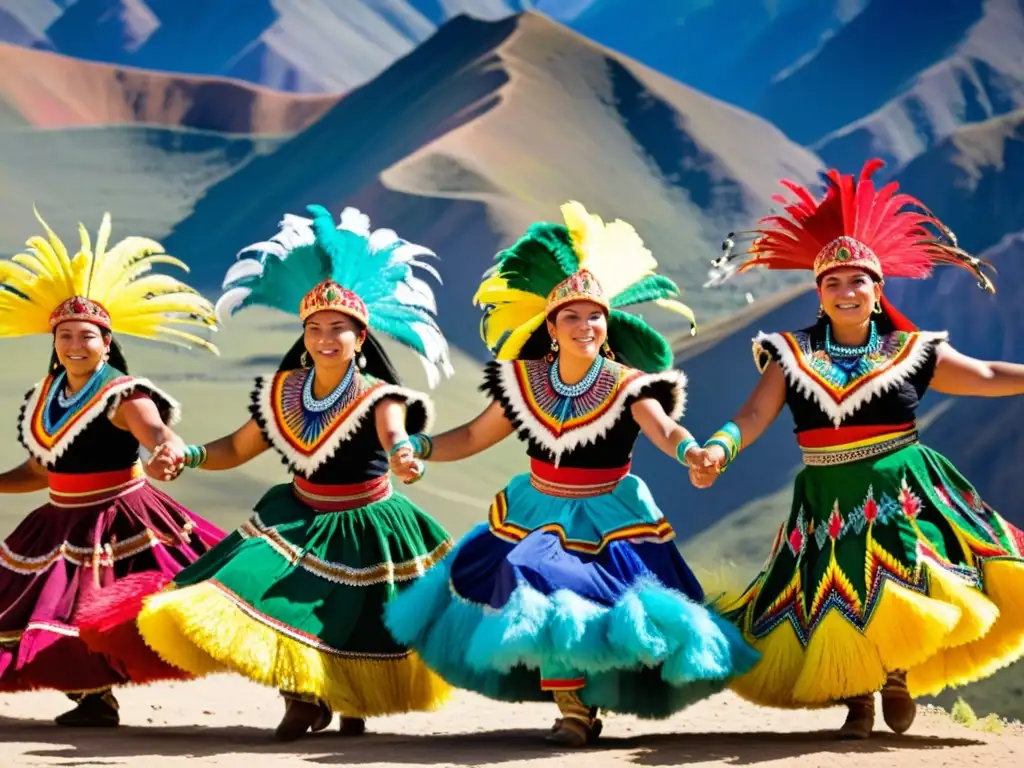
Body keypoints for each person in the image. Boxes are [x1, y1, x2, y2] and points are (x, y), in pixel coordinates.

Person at [383, 201, 760, 747]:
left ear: (607, 327)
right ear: (551, 328)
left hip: (608, 513)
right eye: (571, 317)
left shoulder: (630, 384)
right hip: (536, 507)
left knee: (574, 598)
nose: (584, 325)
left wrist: (695, 453)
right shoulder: (521, 383)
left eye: (594, 316)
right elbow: (468, 437)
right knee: (535, 578)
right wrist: (418, 447)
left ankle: (581, 704)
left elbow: (665, 432)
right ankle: (572, 709)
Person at [692, 158, 1024, 739]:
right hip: (826, 492)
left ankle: (895, 674)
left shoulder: (913, 351)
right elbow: (752, 415)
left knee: (901, 579)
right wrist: (718, 450)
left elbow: (986, 374)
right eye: (833, 282)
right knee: (834, 588)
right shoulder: (789, 354)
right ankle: (856, 700)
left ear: (878, 290)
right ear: (820, 293)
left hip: (903, 489)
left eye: (857, 281)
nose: (846, 291)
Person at [134, 204, 455, 742]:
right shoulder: (282, 392)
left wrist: (403, 454)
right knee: (275, 595)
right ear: (303, 334)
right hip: (300, 513)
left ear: (360, 338)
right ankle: (301, 700)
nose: (325, 337)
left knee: (358, 621)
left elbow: (396, 433)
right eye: (315, 328)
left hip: (365, 519)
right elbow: (238, 447)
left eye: (338, 329)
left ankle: (351, 705)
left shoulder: (381, 397)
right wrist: (186, 455)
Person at [0, 209, 225, 727]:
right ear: (54, 342)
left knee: (173, 610)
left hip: (121, 516)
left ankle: (295, 685)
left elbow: (155, 432)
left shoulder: (123, 392)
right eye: (66, 336)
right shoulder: (44, 398)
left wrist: (167, 449)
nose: (75, 345)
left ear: (106, 341)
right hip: (60, 518)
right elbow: (40, 473)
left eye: (86, 336)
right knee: (52, 610)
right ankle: (94, 699)